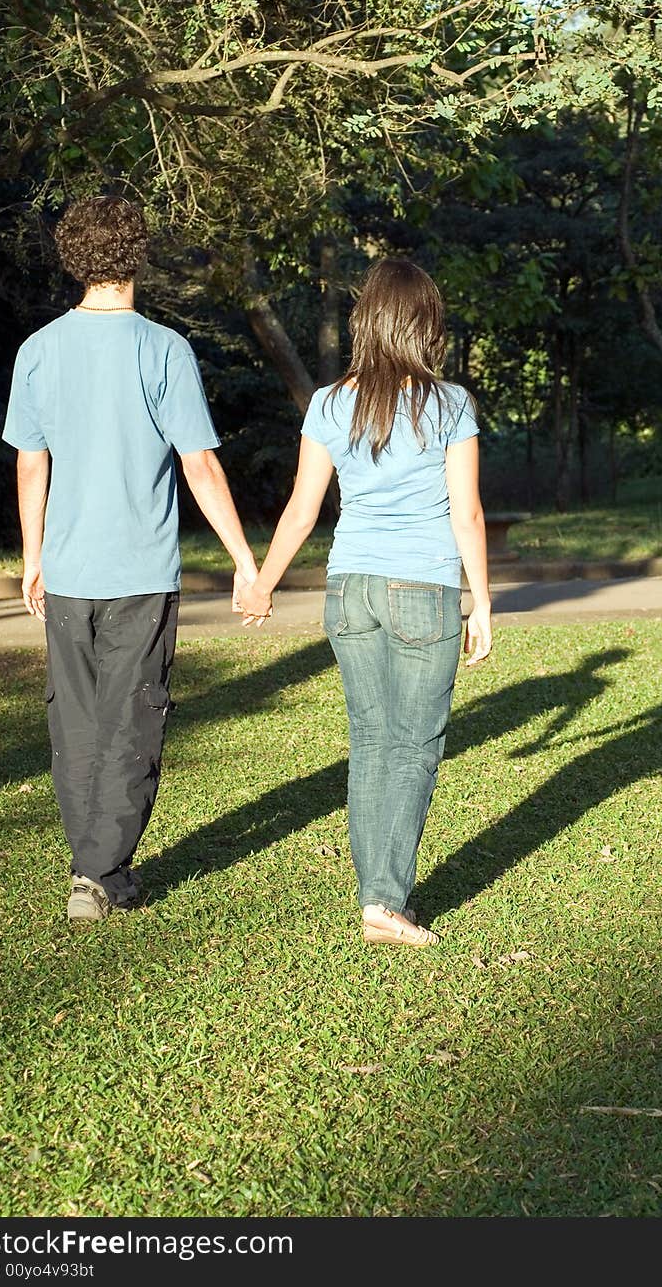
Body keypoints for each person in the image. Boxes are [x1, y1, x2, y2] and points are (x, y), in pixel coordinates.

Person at [2, 195, 257, 923]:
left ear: (73, 259)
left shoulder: (39, 349)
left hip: (71, 569)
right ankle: (100, 870)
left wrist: (33, 556)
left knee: (77, 721)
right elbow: (200, 465)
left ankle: (94, 863)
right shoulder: (163, 349)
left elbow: (29, 466)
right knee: (133, 720)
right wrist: (243, 557)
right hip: (140, 572)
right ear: (136, 253)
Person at [239, 258, 492, 946]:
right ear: (425, 325)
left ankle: (374, 896)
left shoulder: (328, 403)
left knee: (372, 741)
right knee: (413, 746)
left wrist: (264, 582)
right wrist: (484, 604)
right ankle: (385, 900)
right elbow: (466, 515)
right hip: (425, 589)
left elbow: (300, 509)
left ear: (366, 321)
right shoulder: (450, 405)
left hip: (350, 590)